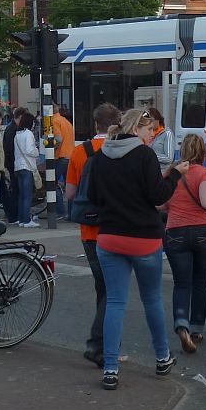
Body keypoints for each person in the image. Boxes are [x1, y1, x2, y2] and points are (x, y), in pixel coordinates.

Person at [85, 107, 189, 390]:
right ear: (137, 129)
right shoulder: (144, 155)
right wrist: (175, 175)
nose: (152, 135)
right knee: (151, 299)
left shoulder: (100, 156)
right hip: (143, 238)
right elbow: (158, 195)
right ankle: (162, 358)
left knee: (115, 302)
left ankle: (110, 368)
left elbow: (92, 196)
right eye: (150, 130)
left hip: (109, 237)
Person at [164, 132, 206, 353]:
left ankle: (181, 324)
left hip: (175, 232)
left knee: (181, 283)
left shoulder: (172, 174)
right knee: (200, 281)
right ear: (203, 152)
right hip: (202, 232)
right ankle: (196, 328)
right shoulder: (204, 173)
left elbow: (160, 205)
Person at [65, 102, 121, 369]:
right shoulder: (121, 149)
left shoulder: (80, 152)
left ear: (95, 123)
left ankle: (105, 346)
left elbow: (70, 193)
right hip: (115, 228)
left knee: (103, 288)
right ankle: (101, 345)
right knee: (114, 291)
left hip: (89, 231)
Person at [14, 111, 40, 228]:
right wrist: (37, 151)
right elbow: (29, 150)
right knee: (28, 195)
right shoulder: (28, 134)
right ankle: (26, 220)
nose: (34, 124)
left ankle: (21, 219)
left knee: (22, 195)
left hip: (18, 166)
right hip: (27, 167)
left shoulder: (17, 134)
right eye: (33, 122)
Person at [1, 107, 25, 224]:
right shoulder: (13, 130)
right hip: (13, 164)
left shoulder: (11, 128)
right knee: (16, 189)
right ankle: (14, 215)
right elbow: (11, 149)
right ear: (20, 117)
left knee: (14, 188)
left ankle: (12, 213)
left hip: (11, 163)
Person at [51, 104, 75, 217]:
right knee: (70, 185)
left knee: (52, 183)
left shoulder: (54, 121)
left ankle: (60, 211)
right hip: (70, 156)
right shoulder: (65, 121)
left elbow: (58, 139)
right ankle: (71, 213)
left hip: (60, 156)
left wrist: (51, 149)